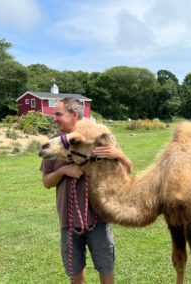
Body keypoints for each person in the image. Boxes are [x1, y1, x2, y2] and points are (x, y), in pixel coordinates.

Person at [40, 97, 132, 284]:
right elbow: (47, 182)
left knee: (106, 267)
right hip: (69, 219)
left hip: (98, 219)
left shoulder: (98, 138)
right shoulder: (55, 144)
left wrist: (119, 155)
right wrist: (63, 170)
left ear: (73, 115)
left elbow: (127, 172)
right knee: (75, 272)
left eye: (58, 114)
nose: (54, 118)